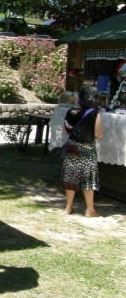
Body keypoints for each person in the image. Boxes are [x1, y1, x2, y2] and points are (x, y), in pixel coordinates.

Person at [60, 86, 104, 217]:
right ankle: (90, 209)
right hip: (87, 148)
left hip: (73, 146)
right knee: (88, 178)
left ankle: (68, 207)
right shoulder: (94, 114)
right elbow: (98, 134)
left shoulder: (71, 112)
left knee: (71, 175)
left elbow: (66, 130)